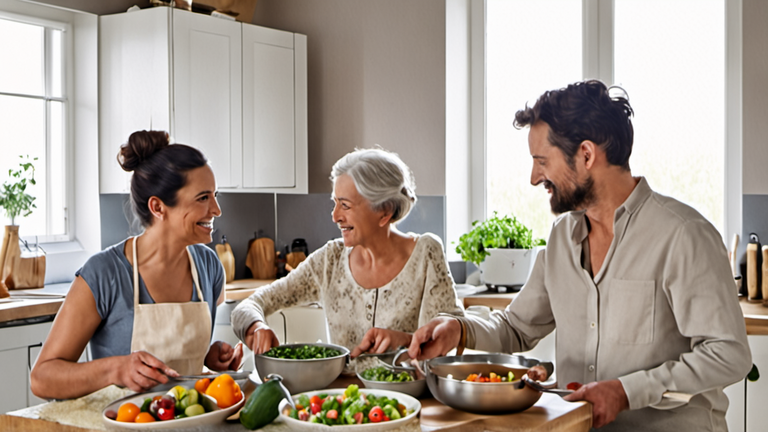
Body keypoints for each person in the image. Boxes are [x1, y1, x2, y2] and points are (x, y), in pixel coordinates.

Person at [408, 80, 751, 431]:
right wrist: (459, 330)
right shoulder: (561, 238)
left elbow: (729, 354)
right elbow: (517, 326)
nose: (533, 177)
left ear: (586, 155)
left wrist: (626, 392)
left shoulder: (682, 234)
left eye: (542, 161)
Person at [31, 131, 243, 400]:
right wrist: (114, 370)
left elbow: (181, 357)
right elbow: (42, 378)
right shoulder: (104, 273)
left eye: (215, 195)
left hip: (190, 420)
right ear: (158, 207)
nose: (216, 210)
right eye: (203, 198)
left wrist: (210, 355)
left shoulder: (209, 267)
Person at [231, 148, 463, 360]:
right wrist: (256, 327)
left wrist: (404, 341)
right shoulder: (330, 261)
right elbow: (250, 304)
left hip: (411, 401)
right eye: (335, 203)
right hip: (342, 401)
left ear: (384, 211)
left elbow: (454, 333)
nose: (335, 216)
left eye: (345, 205)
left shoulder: (425, 254)